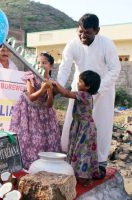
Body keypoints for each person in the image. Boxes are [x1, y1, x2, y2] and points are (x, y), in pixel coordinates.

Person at [56, 13, 121, 177]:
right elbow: (64, 68)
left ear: (97, 31)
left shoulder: (107, 44)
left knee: (101, 126)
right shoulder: (72, 45)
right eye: (80, 32)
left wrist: (97, 90)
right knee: (72, 124)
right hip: (79, 91)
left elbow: (115, 69)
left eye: (88, 32)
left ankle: (99, 164)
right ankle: (69, 159)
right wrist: (57, 86)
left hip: (102, 92)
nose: (83, 36)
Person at [10, 52, 61, 169]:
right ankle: (30, 164)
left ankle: (45, 164)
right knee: (29, 137)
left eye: (44, 63)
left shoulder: (52, 81)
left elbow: (49, 104)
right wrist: (43, 88)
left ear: (51, 66)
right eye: (38, 63)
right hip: (29, 110)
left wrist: (49, 90)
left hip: (44, 112)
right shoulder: (31, 76)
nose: (41, 65)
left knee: (45, 138)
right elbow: (31, 97)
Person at [53, 70, 103, 185]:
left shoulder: (84, 95)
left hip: (84, 128)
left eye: (80, 81)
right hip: (80, 125)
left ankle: (83, 176)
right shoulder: (85, 93)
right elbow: (64, 92)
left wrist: (55, 83)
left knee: (82, 151)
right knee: (78, 149)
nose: (77, 83)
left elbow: (66, 93)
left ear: (88, 86)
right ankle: (78, 172)